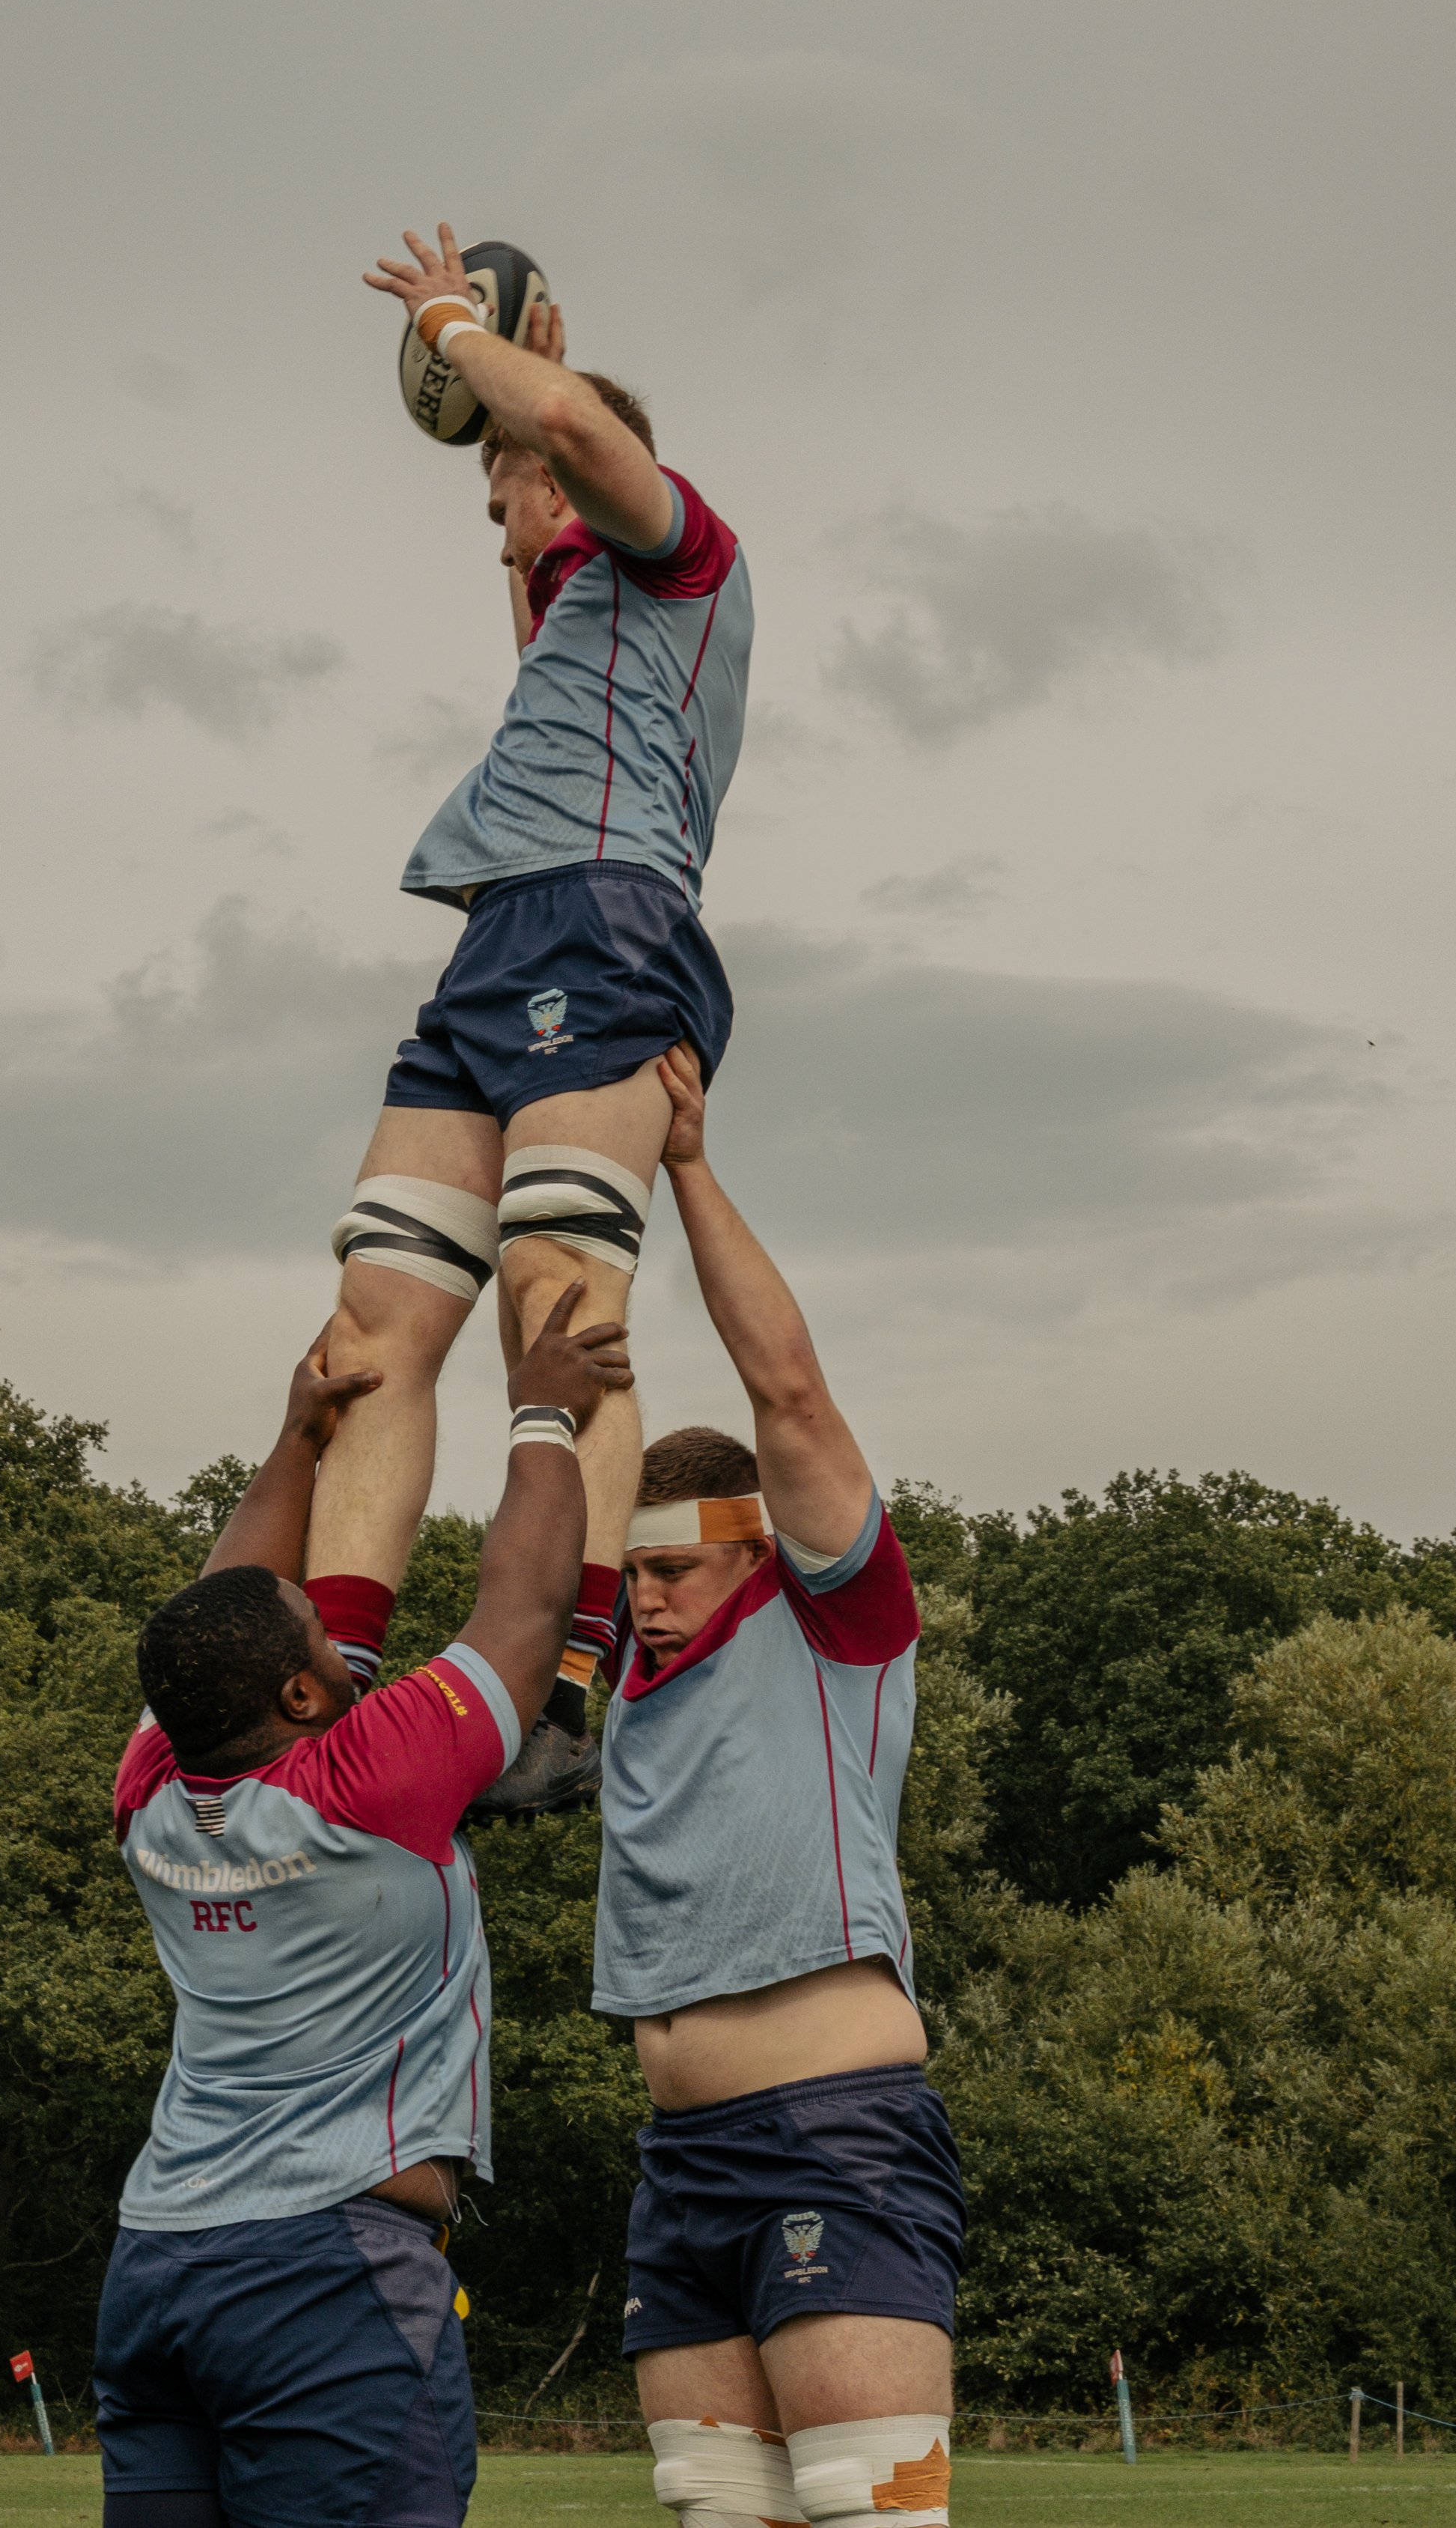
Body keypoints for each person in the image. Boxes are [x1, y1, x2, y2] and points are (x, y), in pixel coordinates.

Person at [305, 222, 755, 1811]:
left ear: (572, 473)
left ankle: (566, 1689)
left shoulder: (683, 551)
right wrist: (522, 404)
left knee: (557, 1305)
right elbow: (543, 487)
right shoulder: (580, 614)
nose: (494, 516)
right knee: (370, 1335)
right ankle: (329, 1683)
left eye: (504, 487)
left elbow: (567, 435)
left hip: (605, 924)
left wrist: (459, 333)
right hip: (499, 943)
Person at [94, 1284, 632, 2528]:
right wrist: (544, 1414)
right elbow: (525, 1612)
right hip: (321, 2276)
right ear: (295, 1695)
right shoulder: (365, 1780)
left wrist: (296, 1442)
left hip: (161, 2264)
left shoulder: (152, 1794)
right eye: (326, 1648)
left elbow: (217, 1604)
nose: (351, 1651)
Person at [594, 1046, 962, 2528]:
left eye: (674, 1567)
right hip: (678, 2163)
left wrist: (680, 1164)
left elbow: (787, 1393)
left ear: (752, 1549)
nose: (648, 1599)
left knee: (870, 2515)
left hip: (832, 2130)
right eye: (633, 1575)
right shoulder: (624, 1665)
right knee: (714, 2518)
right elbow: (575, 1458)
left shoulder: (833, 1622)